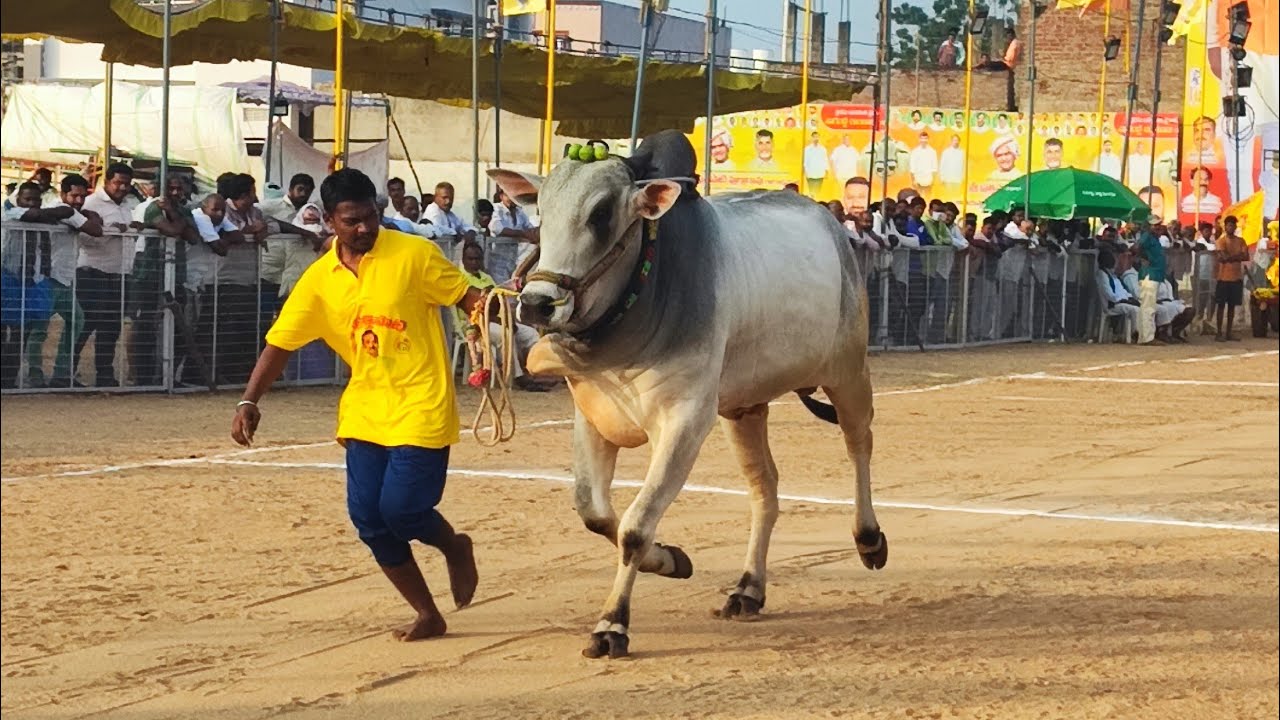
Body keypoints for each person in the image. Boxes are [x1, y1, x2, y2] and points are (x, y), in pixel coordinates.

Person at [231, 168, 488, 641]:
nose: (365, 227)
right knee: (369, 519)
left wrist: (493, 311)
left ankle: (453, 545)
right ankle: (427, 613)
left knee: (402, 510)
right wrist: (250, 399)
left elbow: (468, 297)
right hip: (365, 411)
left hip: (422, 402)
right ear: (329, 221)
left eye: (370, 216)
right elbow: (280, 343)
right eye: (352, 221)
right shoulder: (318, 279)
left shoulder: (414, 253)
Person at [454, 241, 552, 392]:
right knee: (504, 334)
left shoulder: (486, 278)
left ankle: (537, 371)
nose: (474, 262)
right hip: (474, 326)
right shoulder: (460, 279)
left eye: (477, 259)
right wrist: (502, 321)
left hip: (497, 319)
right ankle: (518, 377)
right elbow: (471, 311)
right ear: (463, 259)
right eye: (470, 259)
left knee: (531, 334)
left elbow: (500, 302)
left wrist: (509, 319)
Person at [76, 162, 140, 387]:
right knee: (86, 324)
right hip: (93, 271)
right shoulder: (91, 203)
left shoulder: (129, 205)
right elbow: (83, 238)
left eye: (126, 184)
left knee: (111, 327)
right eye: (118, 182)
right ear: (107, 181)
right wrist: (109, 231)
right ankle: (66, 372)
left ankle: (104, 374)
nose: (122, 187)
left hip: (120, 273)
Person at [488, 187, 538, 285]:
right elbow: (497, 228)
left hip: (514, 260)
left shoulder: (519, 212)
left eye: (514, 196)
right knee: (500, 288)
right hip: (498, 261)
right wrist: (523, 234)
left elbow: (529, 227)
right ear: (501, 196)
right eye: (508, 196)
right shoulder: (496, 209)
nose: (511, 199)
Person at [1213, 215, 1250, 341]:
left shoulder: (1241, 240)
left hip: (1236, 277)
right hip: (1223, 277)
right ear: (1225, 227)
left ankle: (1228, 332)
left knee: (1232, 306)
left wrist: (1231, 257)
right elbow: (1223, 258)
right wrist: (1237, 256)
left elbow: (1246, 256)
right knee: (1221, 306)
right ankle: (1219, 333)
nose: (1231, 227)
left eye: (1233, 225)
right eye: (1229, 225)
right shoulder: (1221, 241)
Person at [422, 181, 477, 260]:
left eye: (451, 198)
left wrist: (471, 231)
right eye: (444, 198)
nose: (448, 201)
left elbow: (465, 225)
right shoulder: (432, 210)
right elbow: (436, 228)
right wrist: (455, 233)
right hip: (433, 258)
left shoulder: (450, 214)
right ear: (435, 198)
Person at [1134, 222, 1167, 345]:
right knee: (1148, 307)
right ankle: (1147, 338)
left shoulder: (1154, 238)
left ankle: (1144, 337)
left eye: (1158, 224)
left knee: (1147, 307)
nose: (1157, 227)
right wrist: (1144, 258)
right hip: (1150, 274)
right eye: (1154, 225)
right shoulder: (1147, 236)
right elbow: (1137, 247)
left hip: (1154, 274)